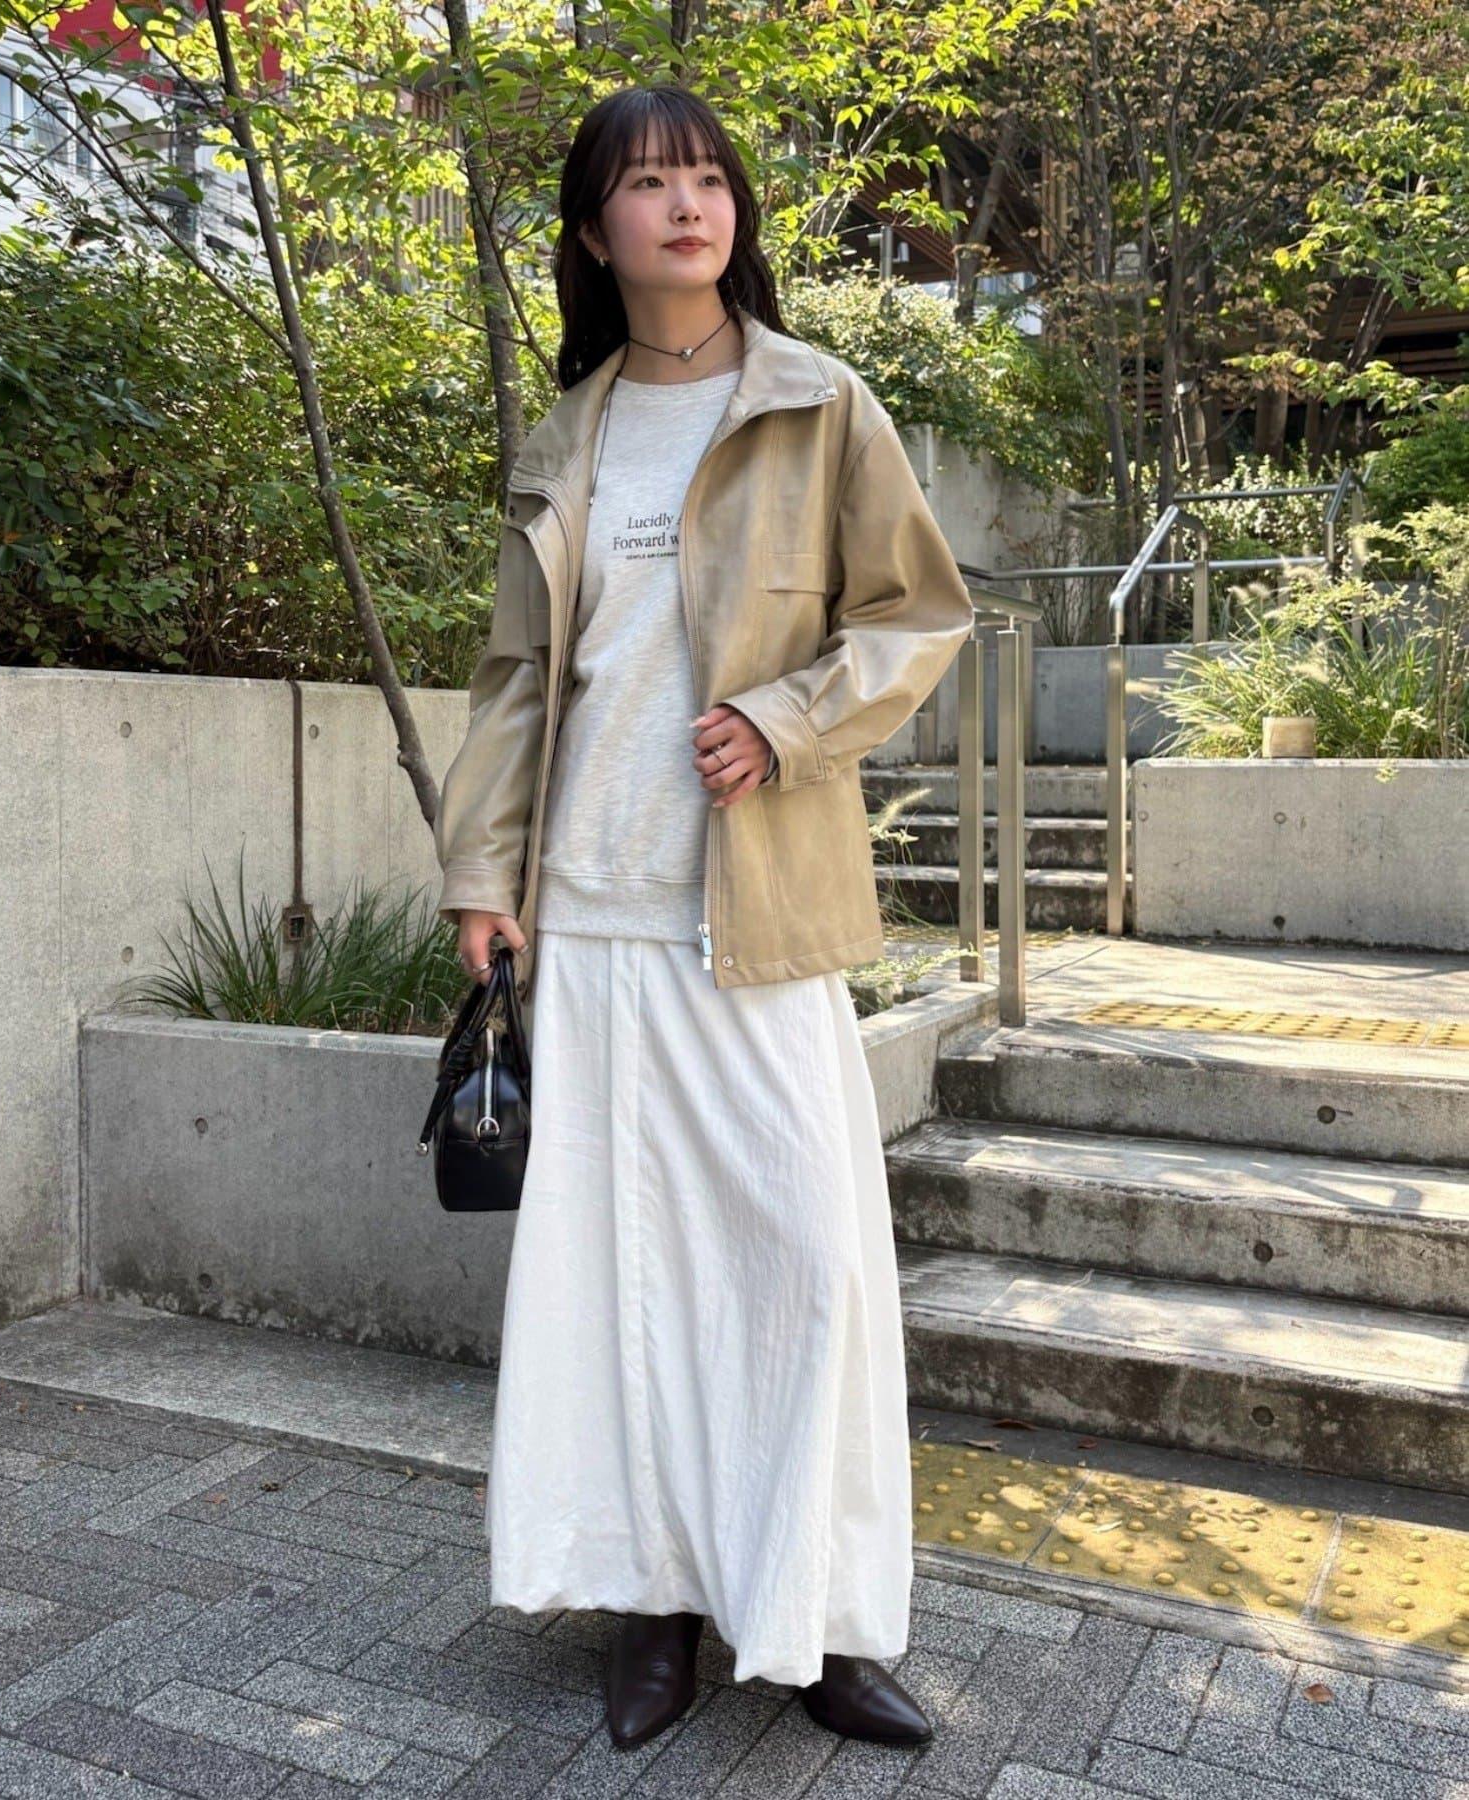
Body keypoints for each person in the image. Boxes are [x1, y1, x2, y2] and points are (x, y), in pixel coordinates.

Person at [433, 81, 975, 1753]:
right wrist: (482, 873)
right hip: (589, 913)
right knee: (625, 1279)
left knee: (807, 1262)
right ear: (594, 229)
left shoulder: (820, 403)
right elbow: (520, 680)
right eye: (649, 182)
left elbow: (919, 615)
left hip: (753, 908)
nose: (687, 205)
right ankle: (655, 1602)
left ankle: (821, 1618)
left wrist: (789, 719)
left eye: (708, 179)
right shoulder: (570, 435)